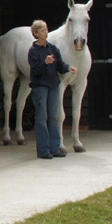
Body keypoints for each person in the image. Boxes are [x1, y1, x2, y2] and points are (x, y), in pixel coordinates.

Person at [28, 19, 78, 159]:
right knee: (42, 118)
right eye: (43, 30)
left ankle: (55, 148)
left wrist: (69, 68)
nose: (46, 31)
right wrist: (45, 62)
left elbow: (60, 65)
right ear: (36, 33)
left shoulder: (52, 48)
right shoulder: (33, 51)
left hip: (54, 86)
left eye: (46, 29)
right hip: (40, 87)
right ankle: (43, 150)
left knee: (54, 117)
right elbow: (35, 70)